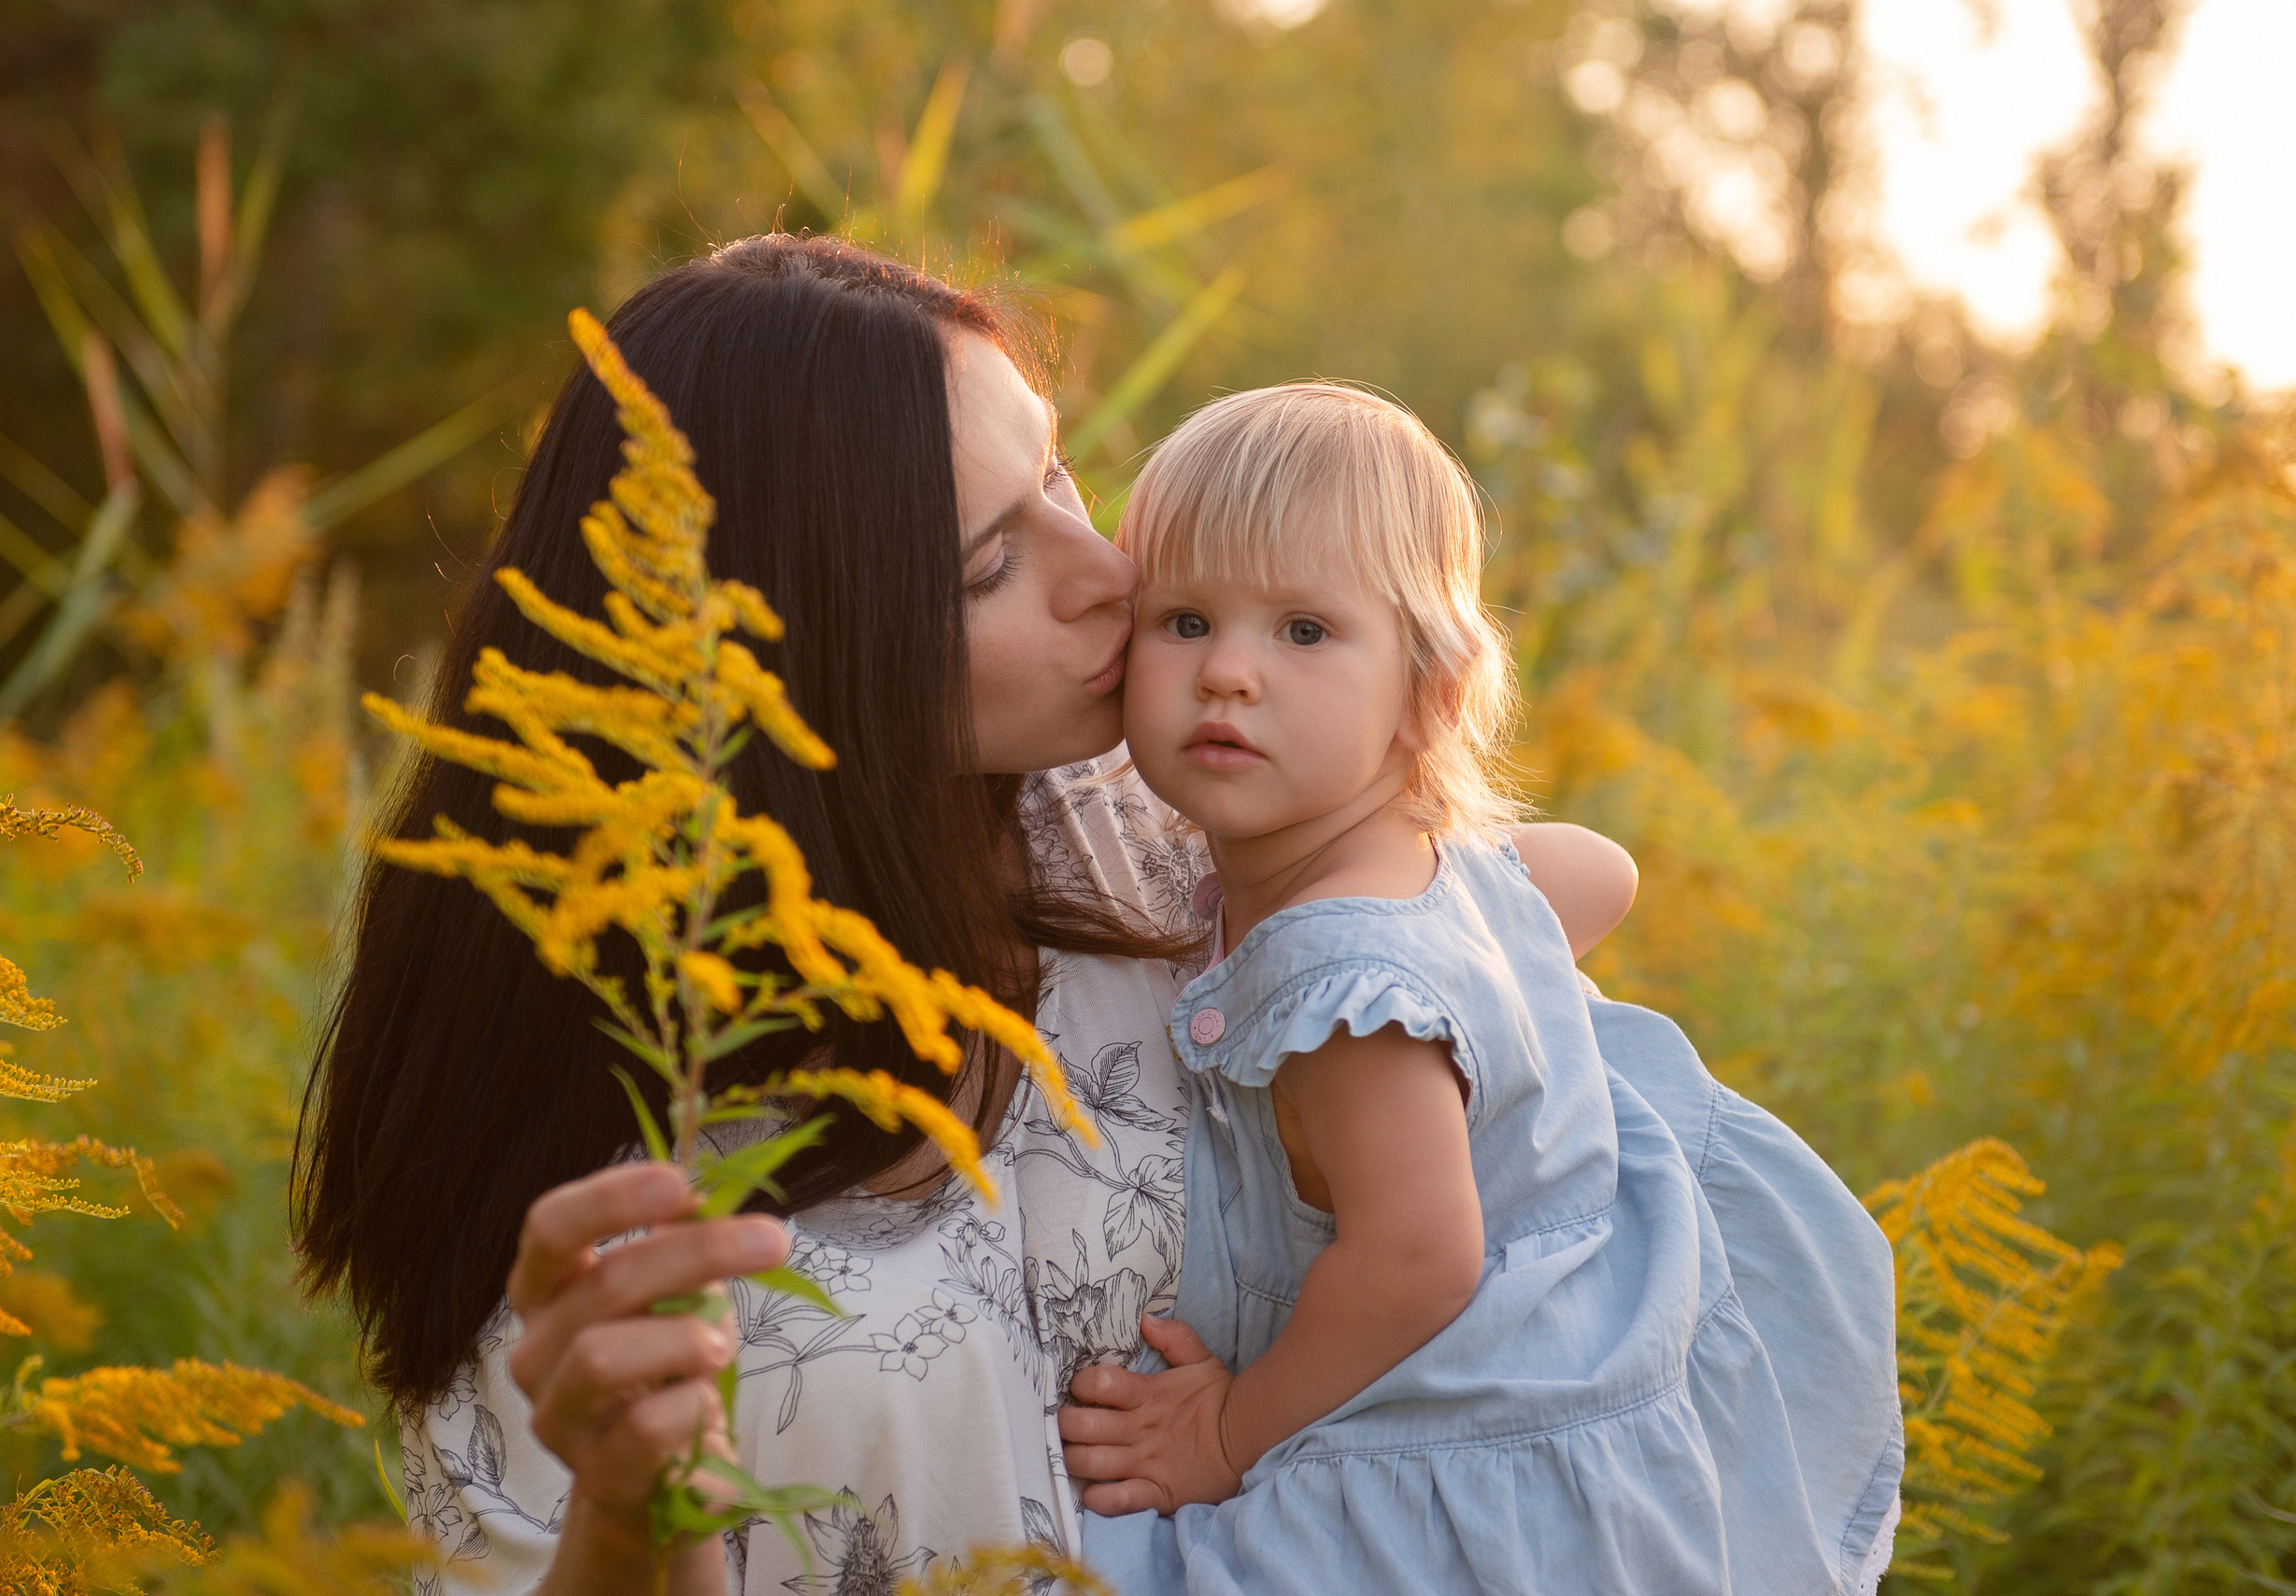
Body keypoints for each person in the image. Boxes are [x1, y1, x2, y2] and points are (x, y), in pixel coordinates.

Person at [293, 234, 1630, 1596]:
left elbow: (1486, 936)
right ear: (805, 652)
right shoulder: (609, 1167)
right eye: (990, 566)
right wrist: (639, 1517)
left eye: (1057, 471)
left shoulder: (1156, 811)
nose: (1107, 571)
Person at [1062, 383, 1906, 1594]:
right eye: (1185, 620)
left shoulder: (1340, 979)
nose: (1230, 673)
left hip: (1454, 1467)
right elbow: (1598, 872)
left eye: (1305, 631)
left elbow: (1419, 1258)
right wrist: (1488, 951)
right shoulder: (1441, 871)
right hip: (1593, 1390)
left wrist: (1227, 1431)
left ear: (1431, 695)